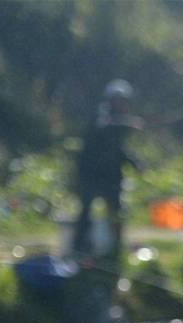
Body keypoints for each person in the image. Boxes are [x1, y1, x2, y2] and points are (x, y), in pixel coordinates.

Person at [72, 79, 142, 256]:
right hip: (91, 173)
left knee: (116, 211)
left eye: (124, 101)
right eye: (118, 100)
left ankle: (115, 247)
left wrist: (134, 162)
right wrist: (126, 123)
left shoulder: (118, 123)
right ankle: (79, 246)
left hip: (110, 175)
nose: (121, 104)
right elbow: (102, 128)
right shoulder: (100, 115)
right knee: (86, 210)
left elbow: (118, 150)